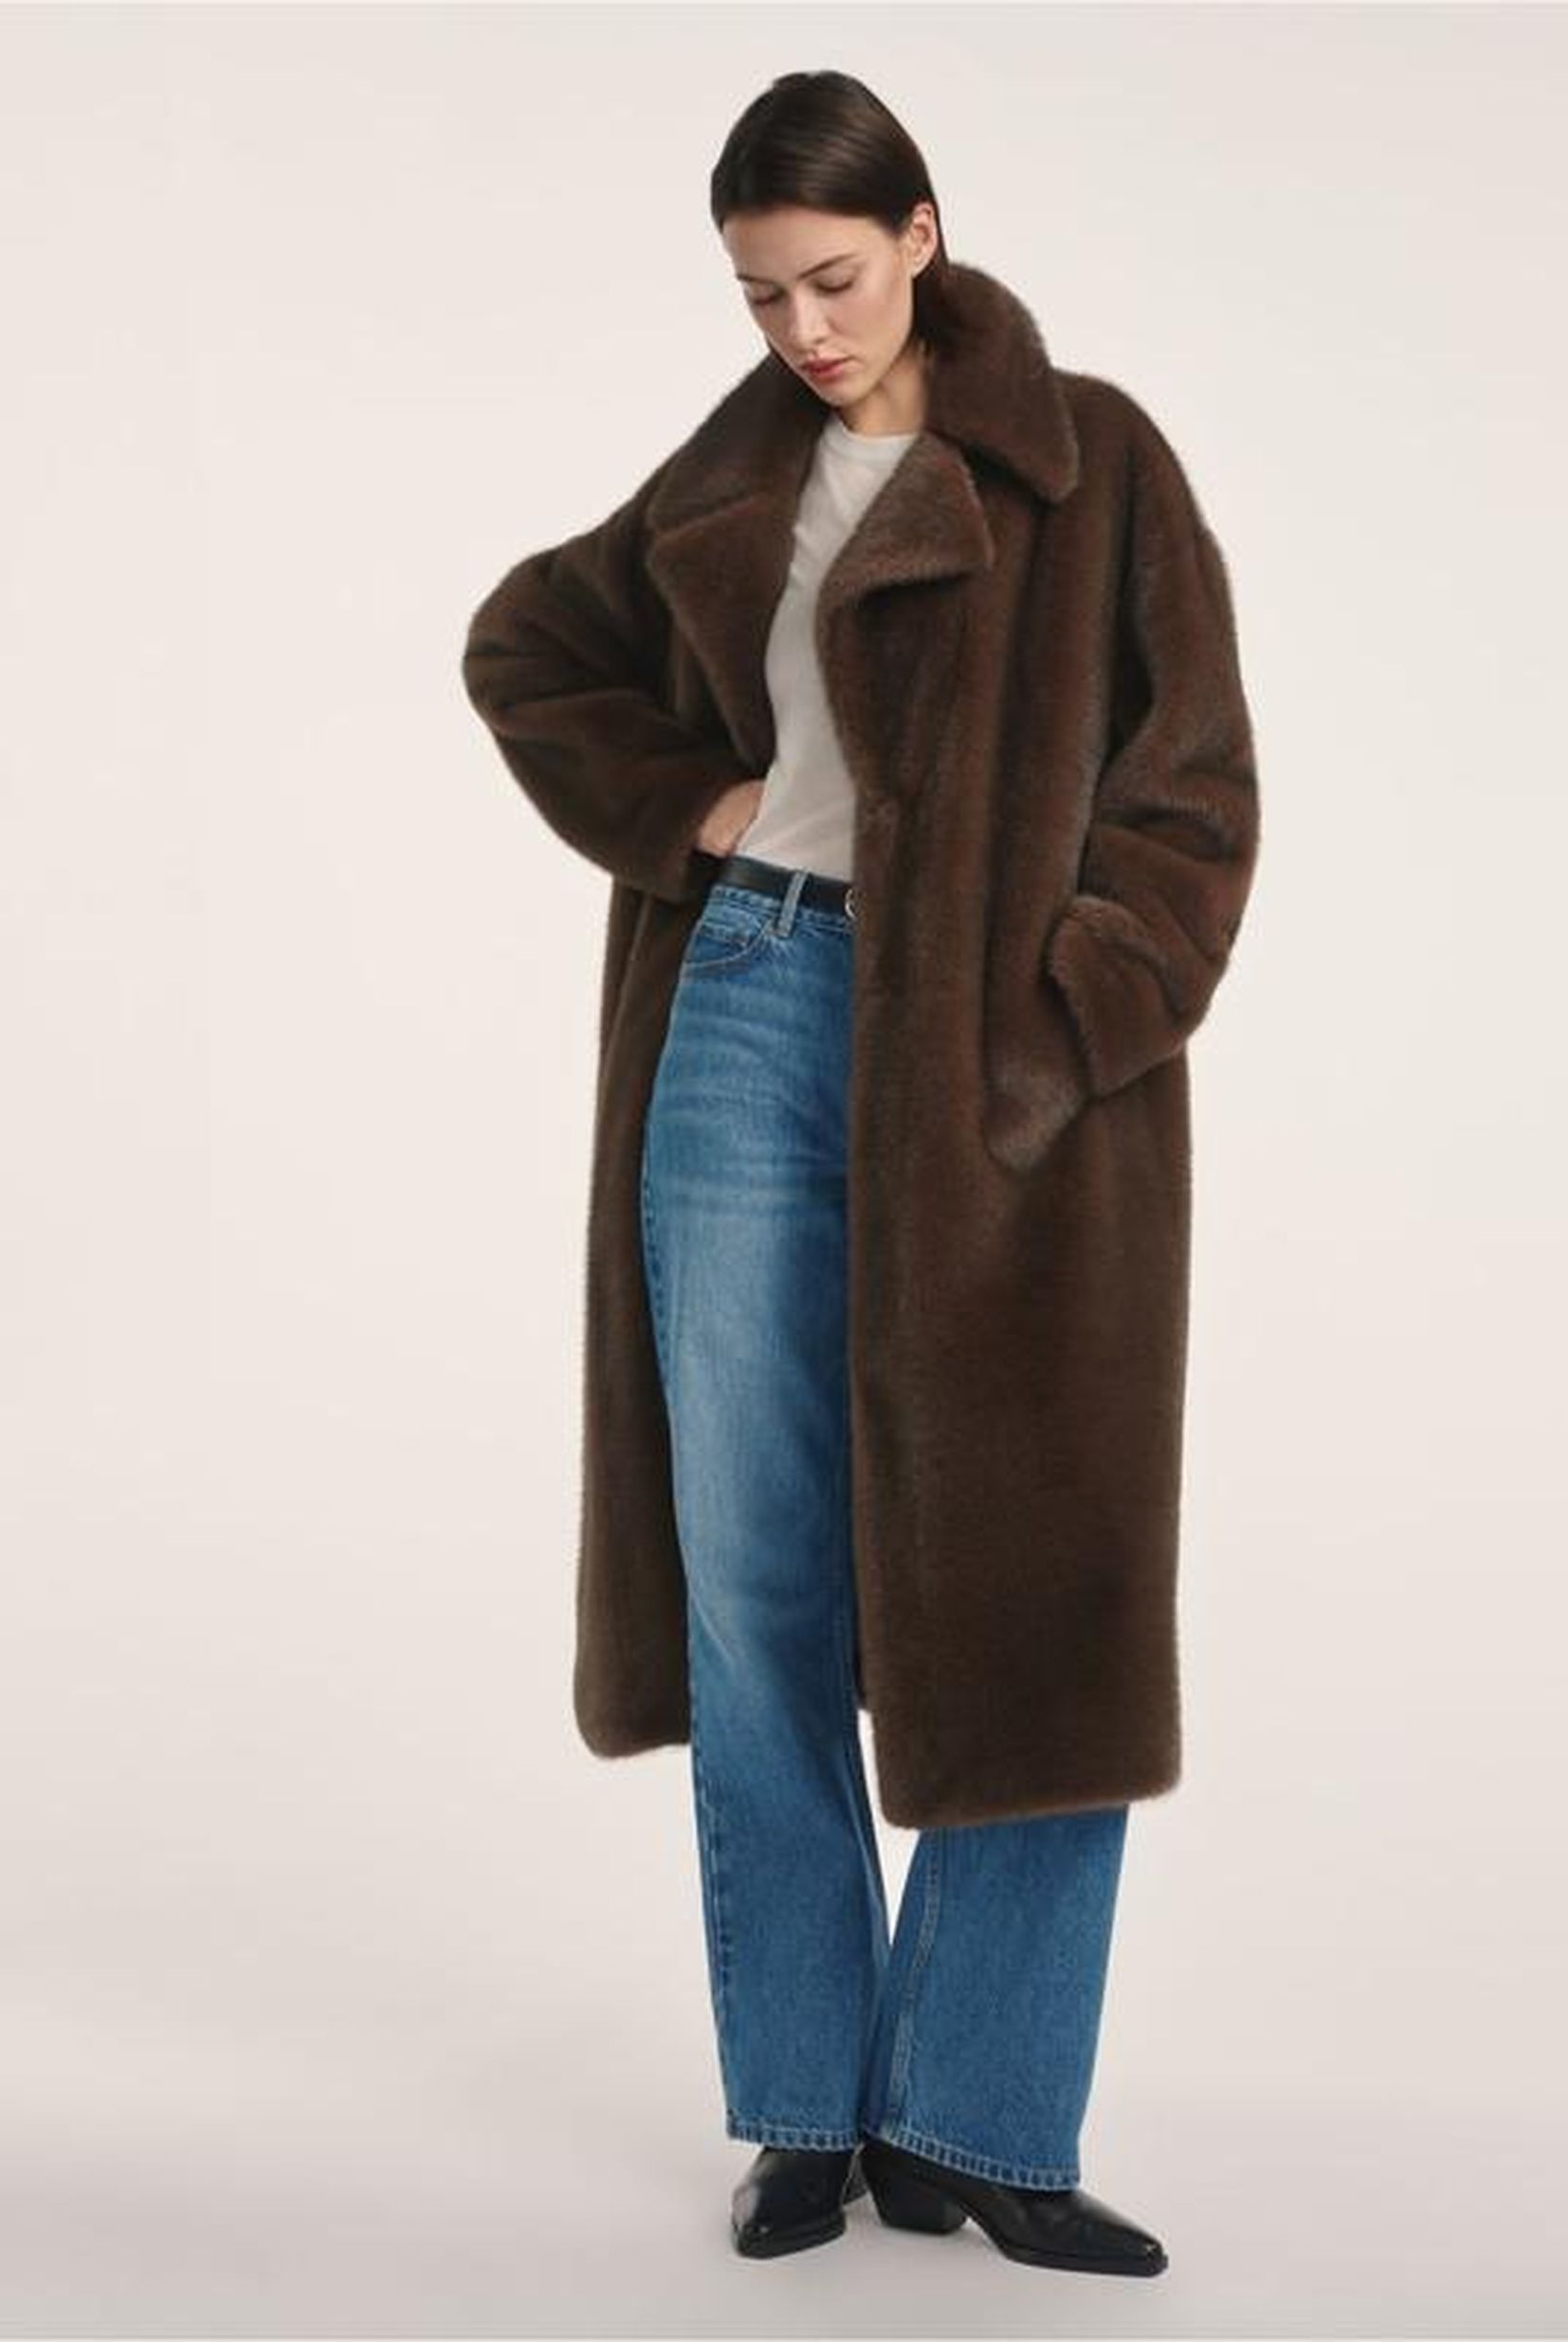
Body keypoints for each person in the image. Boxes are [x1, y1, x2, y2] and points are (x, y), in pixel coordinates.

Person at [462, 70, 1259, 2276]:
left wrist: (1059, 1027)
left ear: (921, 230)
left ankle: (982, 2117)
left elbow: (1192, 795)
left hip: (996, 1079)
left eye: (830, 276)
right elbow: (523, 642)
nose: (802, 329)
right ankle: (809, 2104)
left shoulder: (1088, 462)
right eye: (757, 294)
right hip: (745, 1018)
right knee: (759, 1584)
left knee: (1041, 1591)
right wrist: (689, 812)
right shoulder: (728, 481)